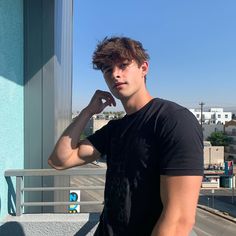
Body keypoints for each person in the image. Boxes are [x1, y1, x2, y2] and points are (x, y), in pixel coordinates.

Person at [48, 36, 203, 236]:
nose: (115, 75)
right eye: (108, 70)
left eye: (123, 65)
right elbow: (59, 160)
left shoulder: (173, 120)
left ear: (144, 68)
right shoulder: (115, 129)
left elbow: (179, 219)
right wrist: (87, 112)